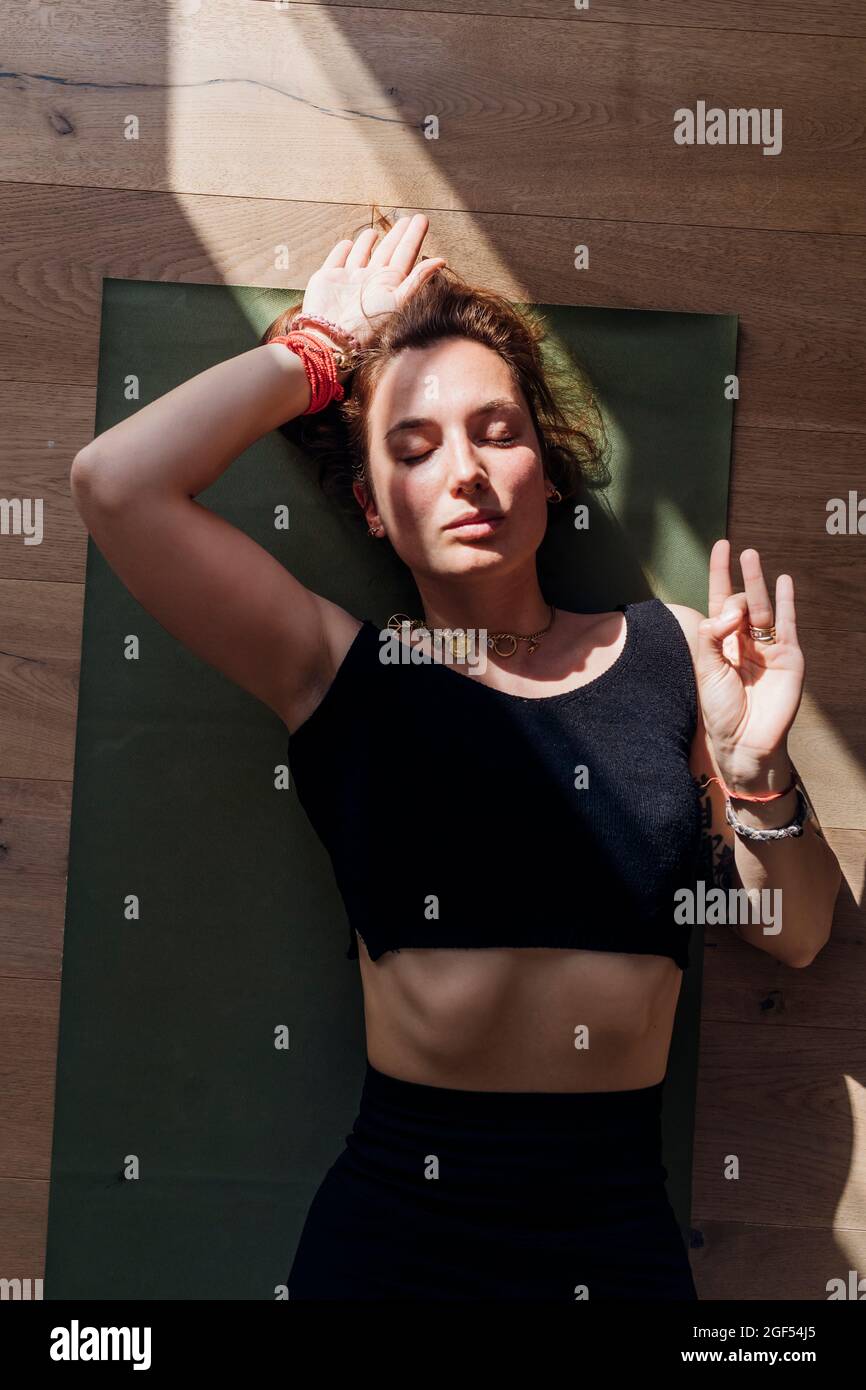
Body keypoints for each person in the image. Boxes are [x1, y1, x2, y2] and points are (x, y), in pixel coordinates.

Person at [70, 213, 842, 1301]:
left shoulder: (674, 650)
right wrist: (318, 352)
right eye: (414, 446)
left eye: (497, 430)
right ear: (371, 513)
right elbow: (113, 482)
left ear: (544, 467)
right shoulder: (338, 671)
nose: (468, 471)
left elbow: (799, 933)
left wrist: (753, 767)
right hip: (399, 1229)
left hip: (612, 1232)